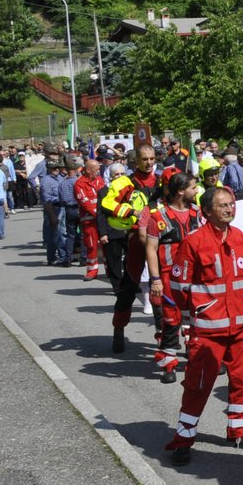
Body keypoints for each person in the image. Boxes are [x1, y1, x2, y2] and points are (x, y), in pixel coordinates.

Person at [164, 186, 243, 464]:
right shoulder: (193, 241)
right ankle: (184, 438)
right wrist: (200, 309)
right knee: (198, 384)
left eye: (231, 204)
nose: (230, 209)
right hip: (208, 330)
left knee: (242, 380)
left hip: (240, 327)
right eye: (222, 206)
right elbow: (179, 286)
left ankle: (239, 431)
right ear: (206, 211)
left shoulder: (240, 238)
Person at [103, 146, 164, 353]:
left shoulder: (162, 180)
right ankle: (118, 329)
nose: (149, 162)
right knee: (128, 289)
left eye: (152, 158)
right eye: (145, 159)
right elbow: (107, 202)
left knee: (162, 287)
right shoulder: (125, 182)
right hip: (137, 241)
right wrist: (132, 211)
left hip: (160, 240)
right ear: (136, 160)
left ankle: (163, 335)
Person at [145, 172, 201, 383]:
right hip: (169, 276)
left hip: (195, 276)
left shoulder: (198, 213)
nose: (196, 191)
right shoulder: (158, 217)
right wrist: (155, 279)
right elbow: (151, 249)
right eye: (193, 188)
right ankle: (168, 364)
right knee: (170, 319)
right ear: (180, 191)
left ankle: (197, 358)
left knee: (197, 318)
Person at [74, 157, 106, 279]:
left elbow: (105, 196)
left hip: (102, 219)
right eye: (96, 169)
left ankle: (110, 270)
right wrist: (98, 214)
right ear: (88, 170)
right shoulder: (79, 183)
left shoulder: (99, 180)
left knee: (106, 245)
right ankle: (92, 270)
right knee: (92, 245)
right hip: (89, 220)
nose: (98, 172)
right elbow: (85, 203)